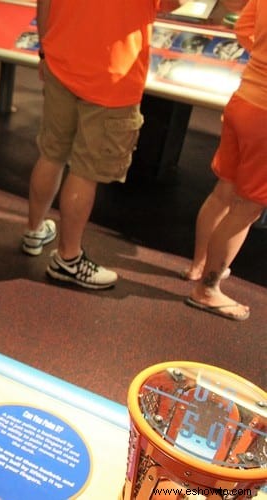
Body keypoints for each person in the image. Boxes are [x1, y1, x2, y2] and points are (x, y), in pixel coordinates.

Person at [21, 0, 162, 289]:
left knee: (52, 153)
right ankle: (68, 259)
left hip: (62, 59)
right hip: (111, 74)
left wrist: (45, 52)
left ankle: (34, 230)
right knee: (85, 171)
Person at [181, 0, 266, 321]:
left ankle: (199, 266)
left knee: (224, 191)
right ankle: (207, 289)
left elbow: (244, 28)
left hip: (244, 100)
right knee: (248, 207)